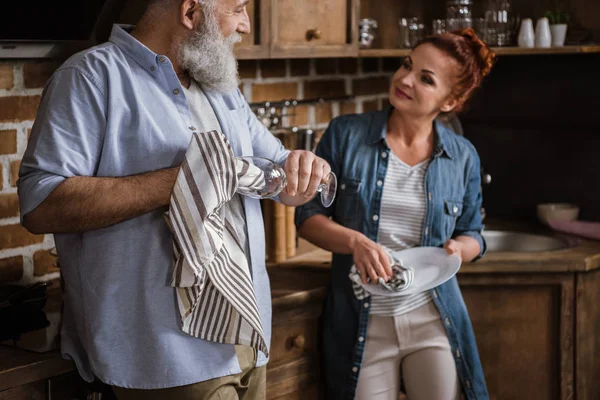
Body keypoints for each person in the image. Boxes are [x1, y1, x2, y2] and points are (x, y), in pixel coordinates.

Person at [17, 0, 330, 399]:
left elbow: (278, 166)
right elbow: (40, 204)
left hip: (248, 334)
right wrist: (183, 181)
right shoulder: (90, 77)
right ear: (190, 14)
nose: (246, 26)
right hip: (165, 353)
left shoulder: (218, 83)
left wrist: (301, 166)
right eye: (237, 9)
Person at [295, 28, 496, 400]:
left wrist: (458, 250)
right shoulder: (345, 134)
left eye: (425, 78)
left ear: (449, 101)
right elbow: (307, 217)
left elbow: (474, 234)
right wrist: (355, 241)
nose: (404, 79)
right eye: (407, 65)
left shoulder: (462, 155)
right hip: (362, 321)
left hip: (432, 318)